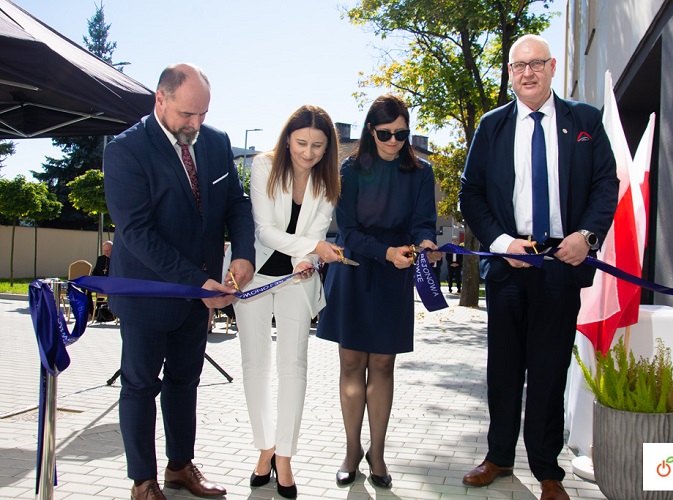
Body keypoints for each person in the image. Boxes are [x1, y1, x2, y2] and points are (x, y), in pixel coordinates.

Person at [458, 35, 618, 500]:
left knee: (548, 369)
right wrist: (503, 242)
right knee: (504, 368)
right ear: (509, 73)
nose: (527, 73)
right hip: (509, 263)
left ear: (551, 68)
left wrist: (586, 238)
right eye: (518, 66)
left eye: (536, 64)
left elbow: (606, 184)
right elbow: (472, 194)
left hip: (561, 262)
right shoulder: (491, 126)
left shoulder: (584, 120)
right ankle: (498, 457)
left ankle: (548, 469)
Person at [104, 63, 256, 500]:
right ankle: (143, 482)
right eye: (188, 115)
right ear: (161, 100)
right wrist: (198, 281)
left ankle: (179, 467)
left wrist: (242, 254)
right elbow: (137, 233)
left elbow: (236, 204)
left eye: (203, 115)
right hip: (148, 293)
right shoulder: (125, 151)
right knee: (140, 385)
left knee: (185, 381)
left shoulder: (216, 142)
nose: (196, 124)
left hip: (198, 298)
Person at [316, 94, 440, 489]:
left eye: (401, 134)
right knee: (351, 364)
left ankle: (378, 452)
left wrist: (425, 244)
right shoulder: (349, 170)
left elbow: (424, 222)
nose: (393, 141)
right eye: (385, 133)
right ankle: (352, 450)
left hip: (395, 273)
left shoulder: (422, 172)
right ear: (371, 130)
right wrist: (384, 251)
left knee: (383, 365)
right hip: (354, 269)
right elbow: (347, 231)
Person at [233, 105, 342, 499]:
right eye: (301, 143)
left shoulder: (329, 182)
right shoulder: (264, 166)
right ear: (287, 139)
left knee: (294, 366)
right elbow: (265, 230)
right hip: (256, 277)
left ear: (327, 148)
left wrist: (308, 259)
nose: (308, 153)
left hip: (297, 280)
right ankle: (265, 448)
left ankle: (285, 457)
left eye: (317, 146)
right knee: (255, 365)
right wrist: (314, 247)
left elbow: (315, 234)